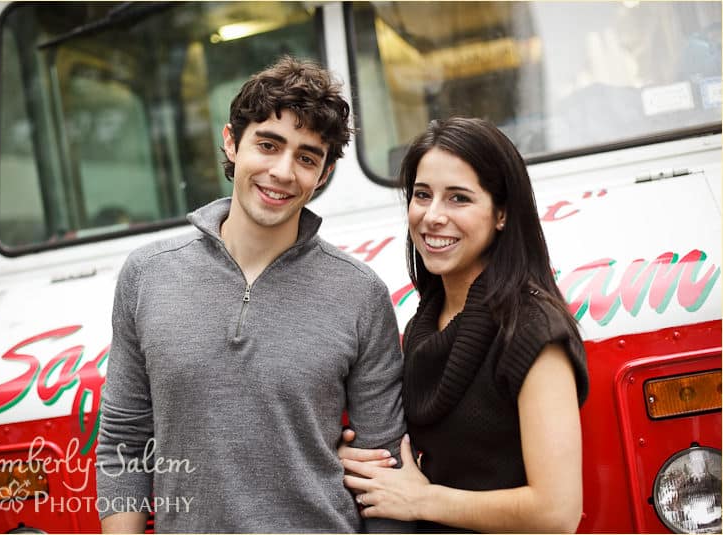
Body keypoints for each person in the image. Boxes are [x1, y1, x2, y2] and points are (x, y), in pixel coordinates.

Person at [95, 56, 408, 533]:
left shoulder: (360, 294)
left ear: (321, 176)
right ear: (231, 143)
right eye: (268, 144)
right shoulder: (147, 275)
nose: (283, 171)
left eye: (307, 157)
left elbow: (384, 471)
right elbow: (124, 444)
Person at [338, 117, 589, 532]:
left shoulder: (533, 330)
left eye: (459, 198)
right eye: (422, 195)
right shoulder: (425, 321)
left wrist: (422, 500)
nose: (432, 216)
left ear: (503, 213)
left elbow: (556, 513)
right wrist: (360, 460)